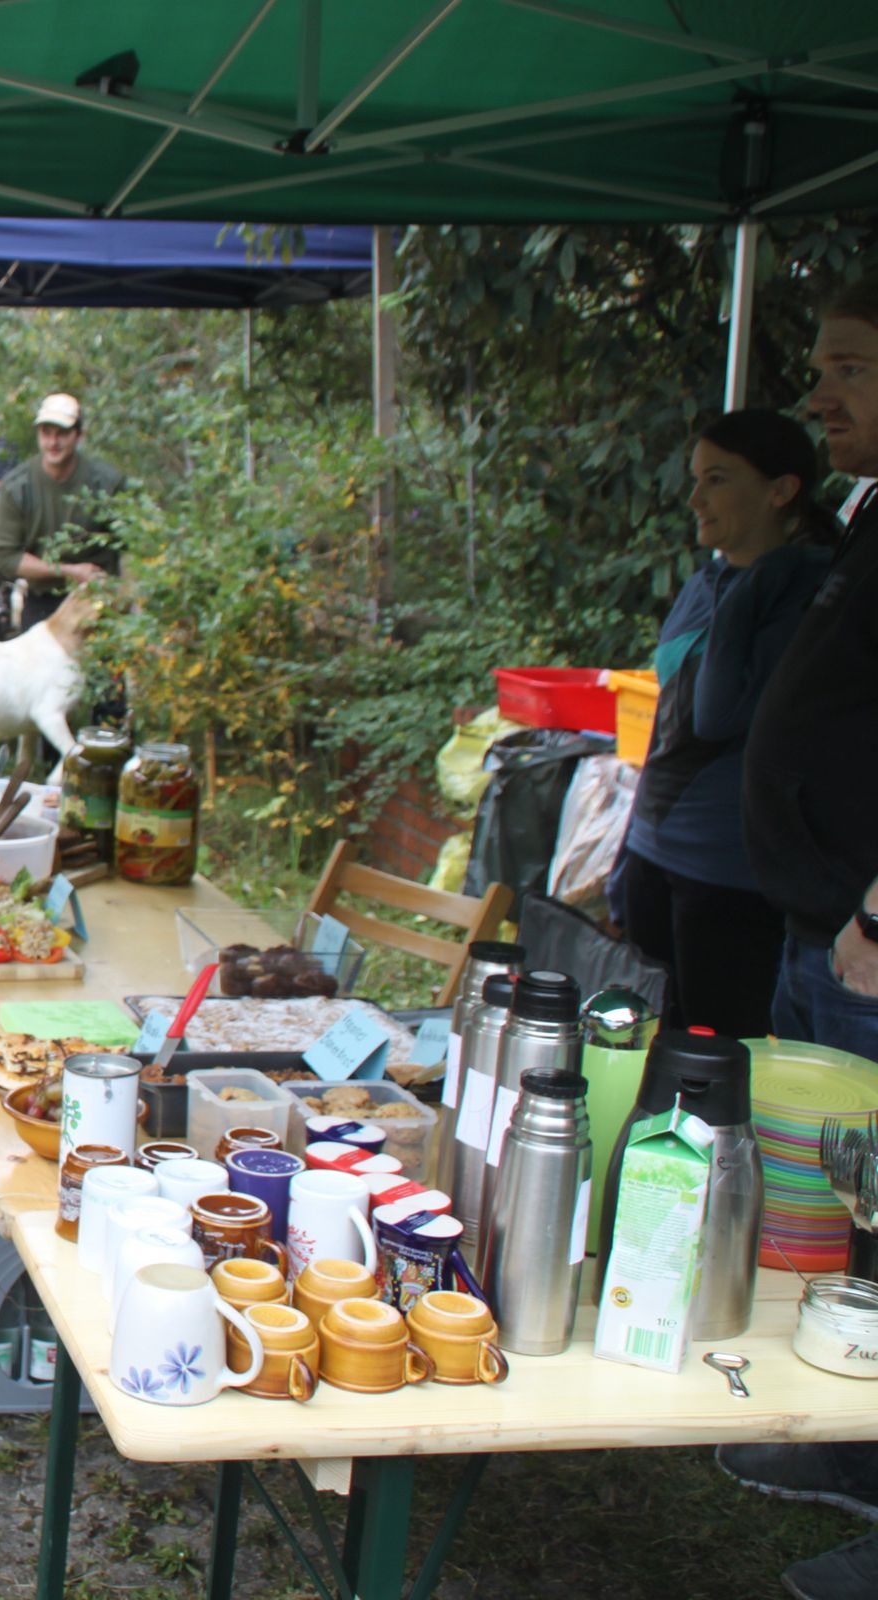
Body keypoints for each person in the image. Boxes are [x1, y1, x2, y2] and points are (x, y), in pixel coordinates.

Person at [719, 281, 878, 1600]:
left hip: (870, 939)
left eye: (849, 370)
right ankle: (841, 1440)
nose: (819, 394)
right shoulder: (868, 520)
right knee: (835, 1203)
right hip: (817, 927)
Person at [612, 409, 833, 1037]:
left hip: (730, 870)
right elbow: (668, 724)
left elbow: (716, 716)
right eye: (695, 478)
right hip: (658, 846)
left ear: (781, 490)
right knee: (641, 1040)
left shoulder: (802, 592)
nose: (694, 498)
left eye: (717, 479)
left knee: (711, 1055)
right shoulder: (709, 580)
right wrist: (631, 844)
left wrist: (759, 581)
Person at [0, 391, 128, 630]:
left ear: (78, 436)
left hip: (98, 602)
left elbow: (132, 547)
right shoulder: (17, 486)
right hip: (42, 602)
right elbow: (6, 558)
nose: (53, 442)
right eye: (46, 433)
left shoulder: (107, 483)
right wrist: (71, 571)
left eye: (62, 433)